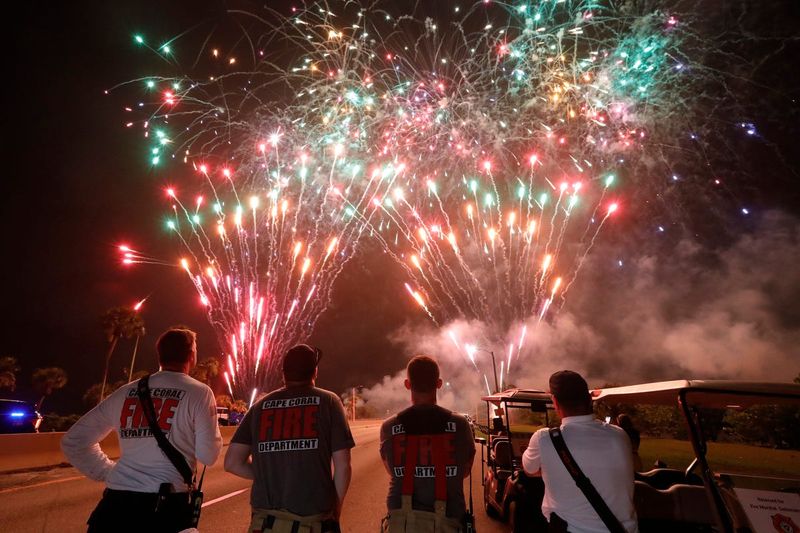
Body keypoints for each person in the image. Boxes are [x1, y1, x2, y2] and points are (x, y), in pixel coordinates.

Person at [61, 327, 222, 533]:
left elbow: (74, 440)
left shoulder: (127, 391)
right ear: (191, 356)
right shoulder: (199, 393)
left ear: (160, 355)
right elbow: (208, 456)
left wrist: (109, 472)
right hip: (164, 507)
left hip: (113, 506)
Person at [225, 344, 354, 533]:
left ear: (283, 373)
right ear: (315, 372)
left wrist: (272, 475)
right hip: (312, 522)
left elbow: (232, 463)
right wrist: (336, 510)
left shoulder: (259, 407)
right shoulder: (329, 401)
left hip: (264, 523)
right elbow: (343, 466)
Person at [522, 370, 638, 533]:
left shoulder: (544, 439)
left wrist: (553, 469)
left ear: (555, 402)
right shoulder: (620, 435)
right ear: (589, 399)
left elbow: (529, 470)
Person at [380, 355, 475, 532]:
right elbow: (465, 471)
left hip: (401, 523)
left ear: (407, 384)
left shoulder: (389, 427)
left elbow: (391, 470)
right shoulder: (461, 425)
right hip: (449, 521)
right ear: (439, 384)